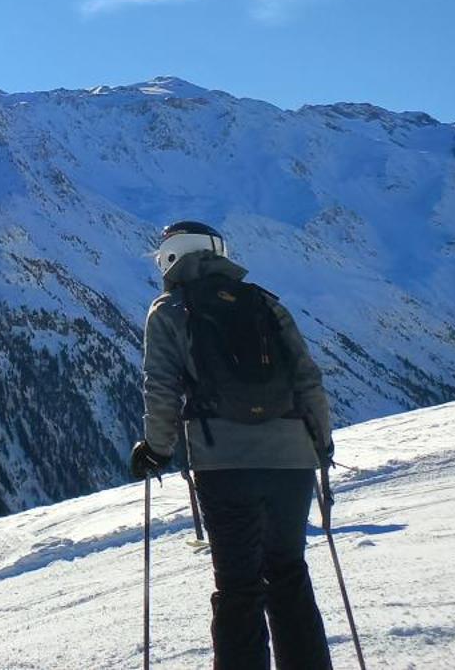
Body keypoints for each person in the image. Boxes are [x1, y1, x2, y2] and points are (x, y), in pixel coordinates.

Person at [130, 221, 335, 670]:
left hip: (224, 465)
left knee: (239, 589)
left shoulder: (170, 310)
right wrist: (320, 445)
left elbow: (161, 387)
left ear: (170, 258)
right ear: (218, 251)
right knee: (288, 573)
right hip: (292, 461)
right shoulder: (265, 303)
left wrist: (156, 449)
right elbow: (308, 379)